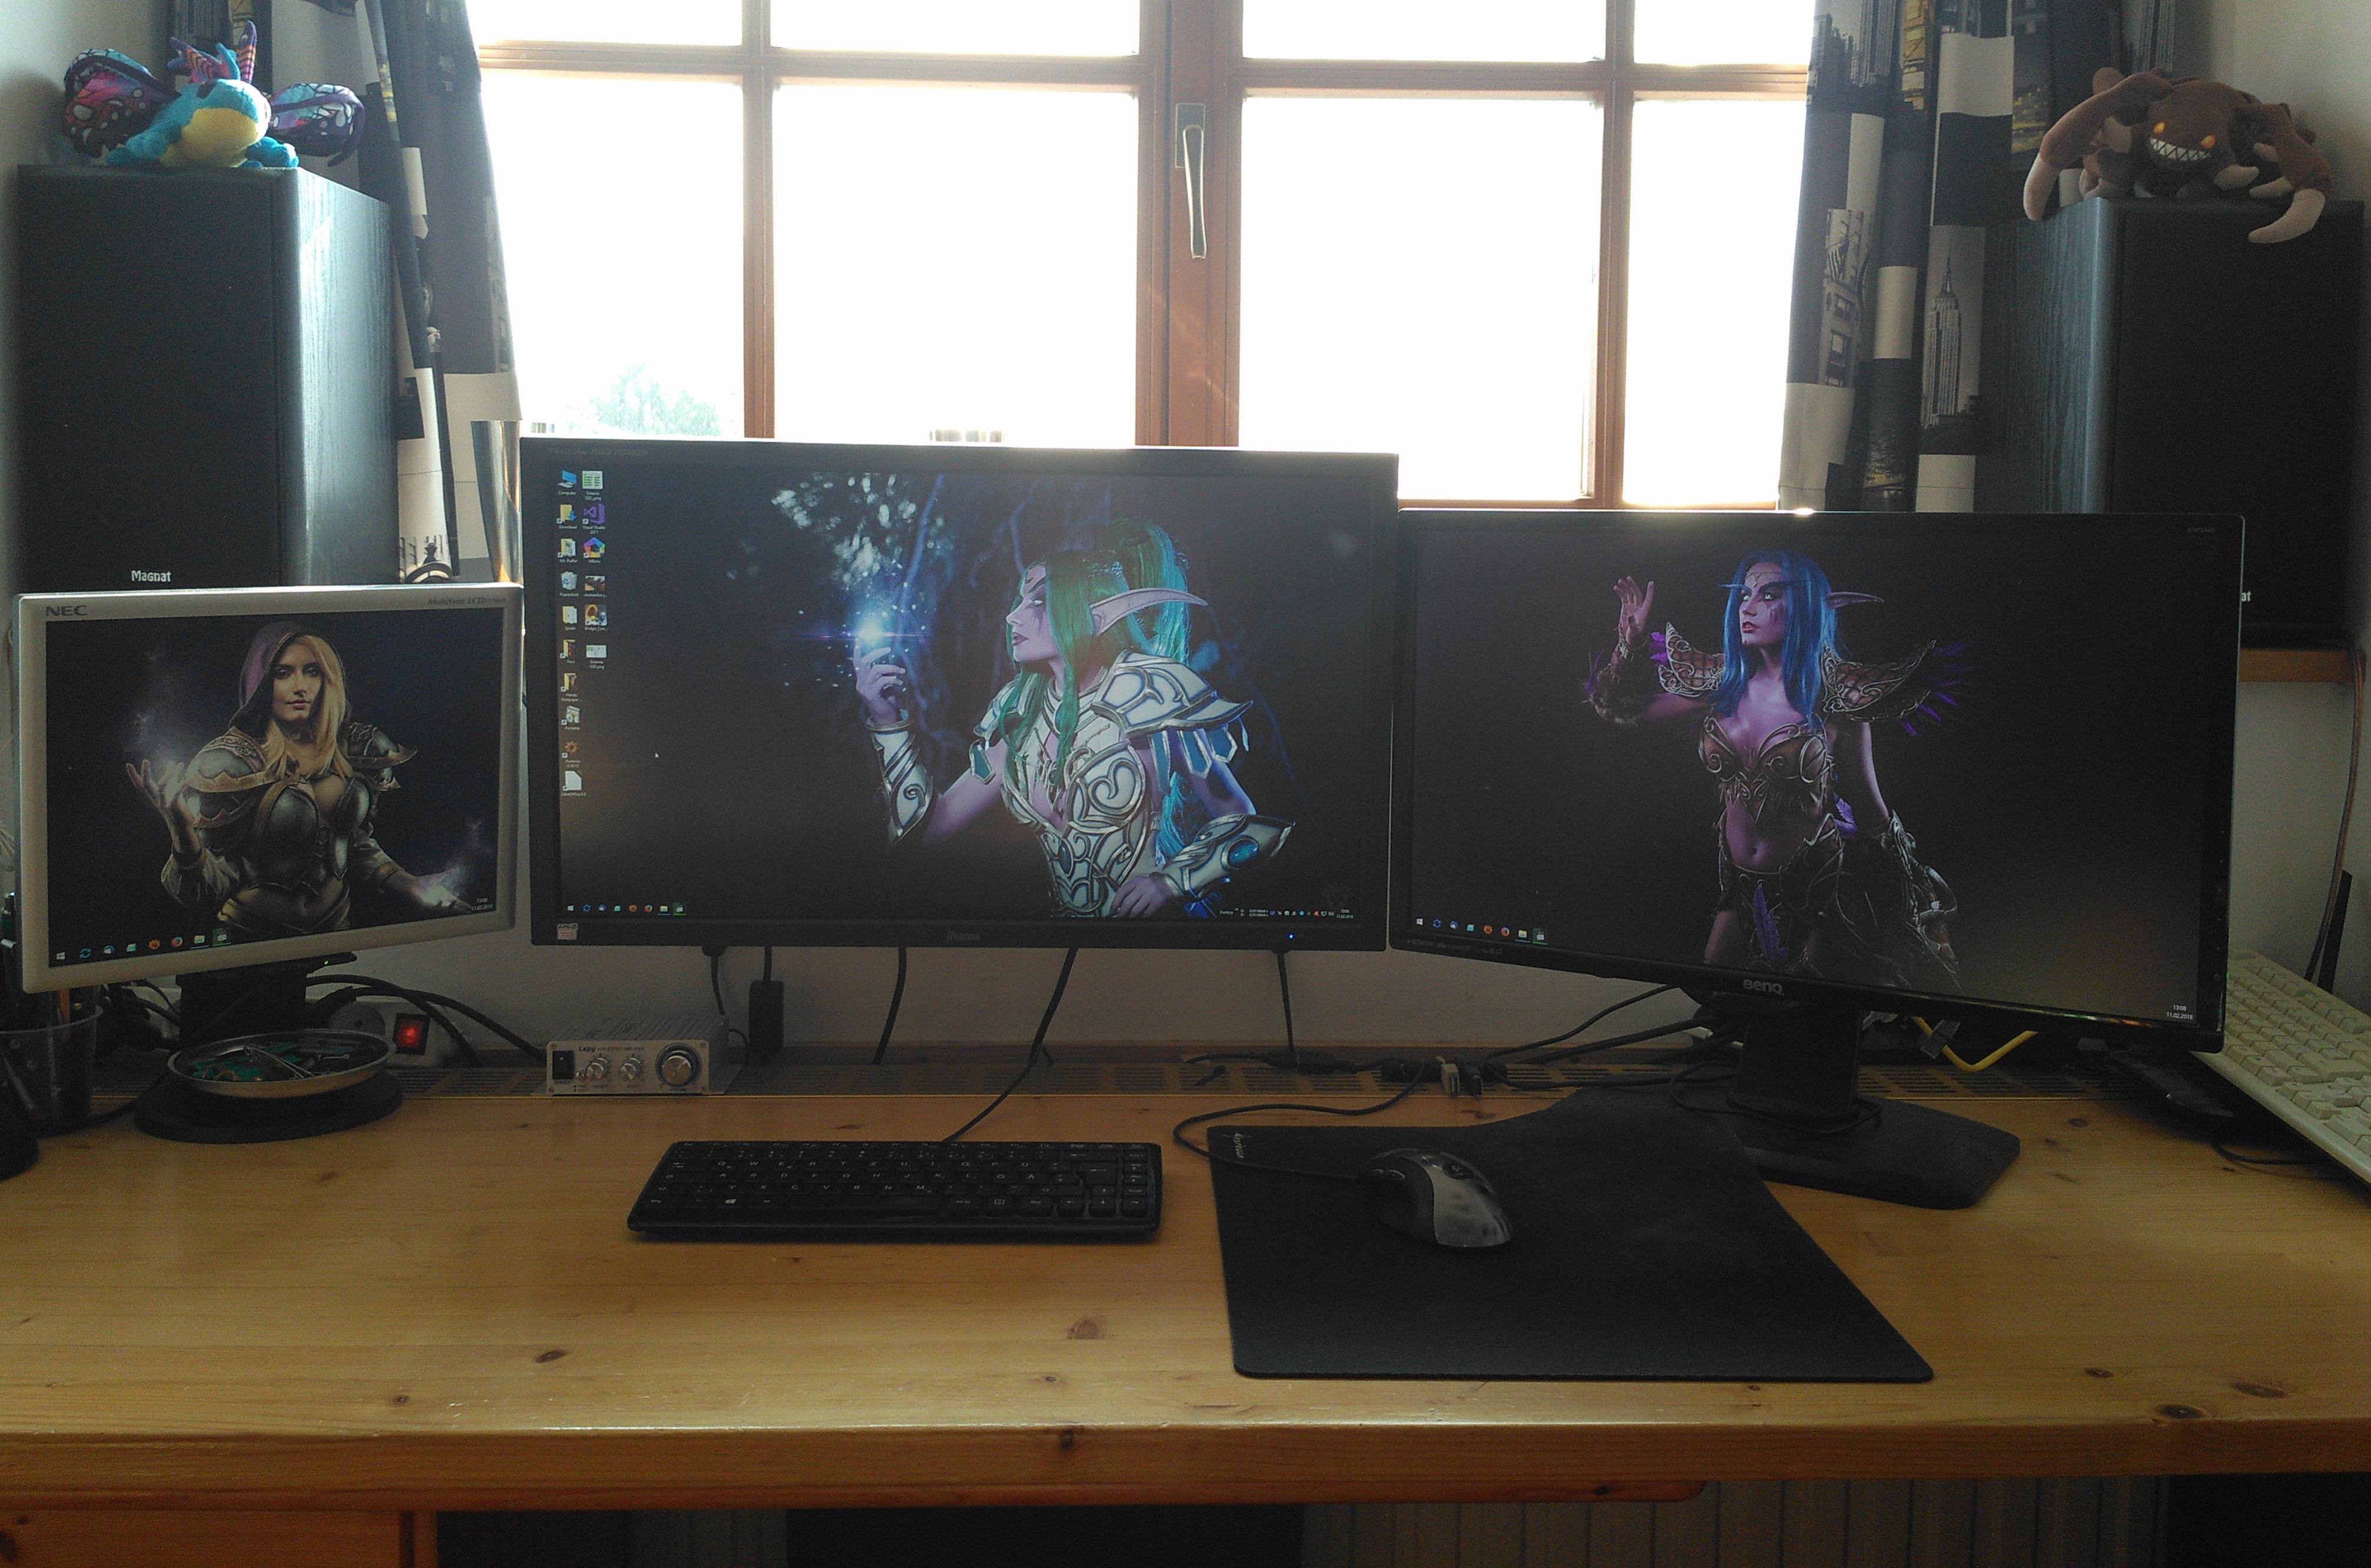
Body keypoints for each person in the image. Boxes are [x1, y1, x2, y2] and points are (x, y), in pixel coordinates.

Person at [853, 520, 1291, 918]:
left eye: (1040, 600)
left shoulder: (1152, 695)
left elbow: (1245, 823)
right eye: (1020, 600)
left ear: (1093, 614)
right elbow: (927, 832)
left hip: (1162, 946)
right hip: (1067, 948)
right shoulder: (1020, 715)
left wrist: (1172, 881)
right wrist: (888, 722)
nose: (1013, 616)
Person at [1584, 550, 1959, 989]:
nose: (1747, 607)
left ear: (1807, 606)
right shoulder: (1722, 687)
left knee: (1805, 1001)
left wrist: (1914, 901)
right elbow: (1616, 709)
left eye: (1768, 595)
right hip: (1739, 886)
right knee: (1717, 993)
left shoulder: (1836, 702)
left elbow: (1870, 810)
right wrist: (1627, 645)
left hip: (1820, 890)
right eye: (1744, 595)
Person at [127, 622, 463, 938]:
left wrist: (409, 883)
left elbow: (351, 843)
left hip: (335, 928)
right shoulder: (230, 765)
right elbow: (207, 890)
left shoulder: (354, 750)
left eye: (312, 671)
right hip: (251, 938)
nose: (300, 687)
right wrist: (181, 830)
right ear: (262, 682)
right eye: (283, 673)